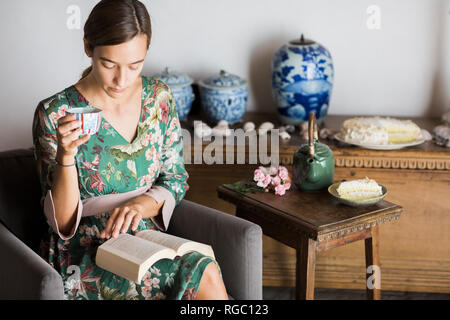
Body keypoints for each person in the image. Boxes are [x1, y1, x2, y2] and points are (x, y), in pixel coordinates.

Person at [32, 0, 228, 300]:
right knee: (204, 275)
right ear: (88, 47)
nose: (121, 80)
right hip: (86, 250)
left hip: (145, 238)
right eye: (109, 64)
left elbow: (174, 180)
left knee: (206, 270)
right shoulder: (56, 113)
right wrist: (66, 157)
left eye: (135, 65)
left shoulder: (158, 97)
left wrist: (140, 205)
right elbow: (61, 222)